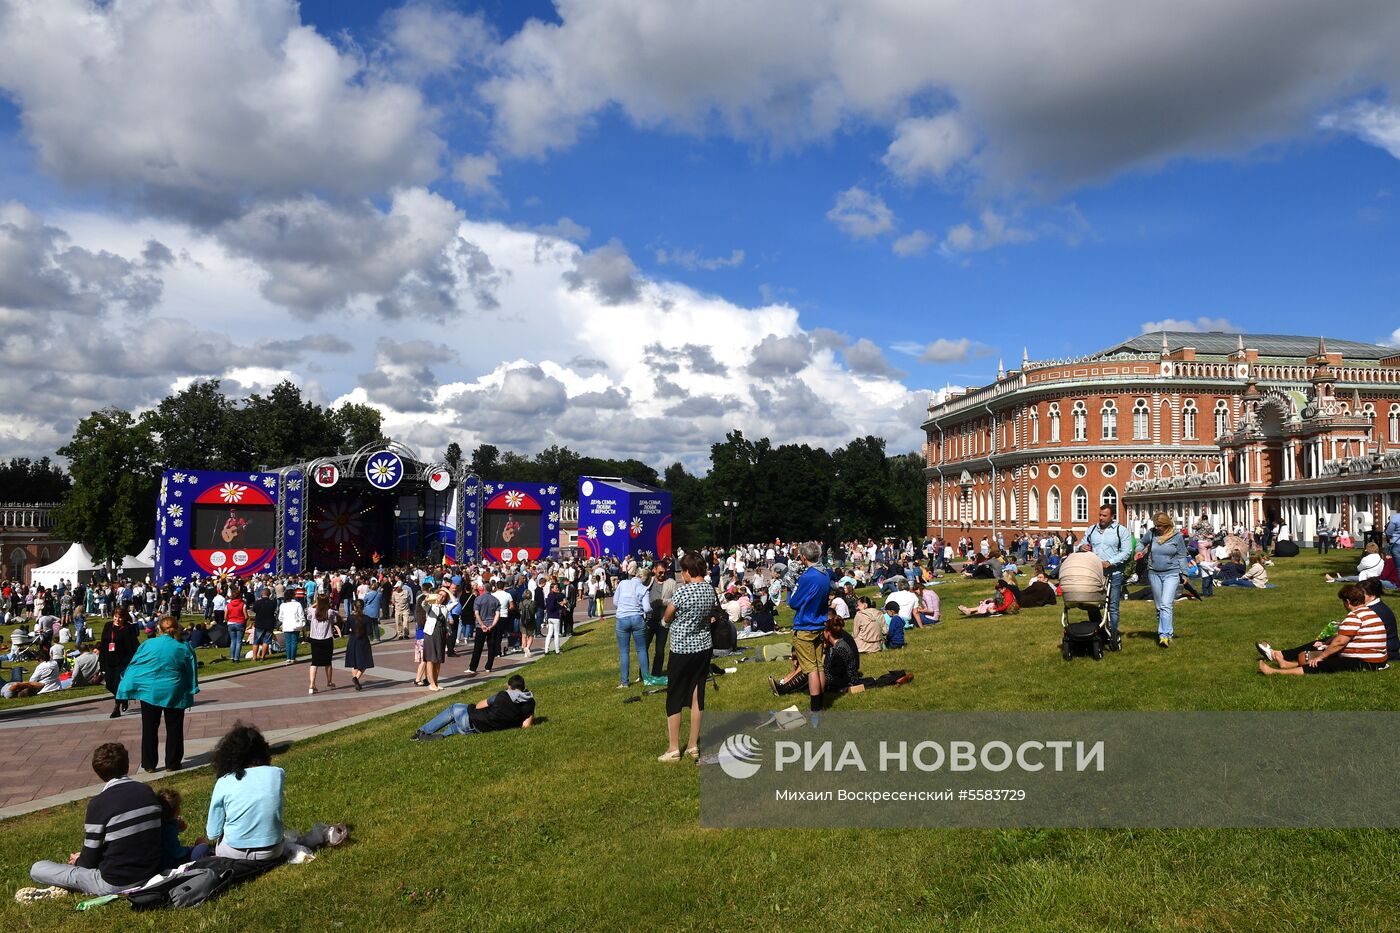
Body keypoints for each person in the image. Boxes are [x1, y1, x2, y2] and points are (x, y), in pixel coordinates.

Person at [25, 742, 161, 896]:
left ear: (98, 773)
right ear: (127, 765)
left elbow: (88, 862)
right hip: (152, 871)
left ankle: (66, 884)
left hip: (115, 882)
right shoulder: (146, 791)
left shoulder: (99, 804)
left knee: (38, 868)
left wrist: (78, 860)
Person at [117, 616, 199, 773]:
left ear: (159, 630)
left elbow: (135, 664)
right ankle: (172, 763)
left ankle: (149, 764)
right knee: (175, 727)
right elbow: (192, 671)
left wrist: (128, 684)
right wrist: (192, 688)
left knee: (149, 728)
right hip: (174, 690)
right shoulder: (183, 647)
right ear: (178, 628)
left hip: (149, 691)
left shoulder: (148, 644)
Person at [658, 551, 715, 762]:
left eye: (683, 571)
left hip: (682, 649)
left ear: (689, 571)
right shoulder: (710, 590)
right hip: (703, 648)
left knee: (674, 696)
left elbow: (668, 614)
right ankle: (693, 746)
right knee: (696, 695)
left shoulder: (683, 592)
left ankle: (674, 748)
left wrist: (665, 623)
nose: (682, 575)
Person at [1257, 585, 1389, 675]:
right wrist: (1326, 645)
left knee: (1322, 664)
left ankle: (1274, 672)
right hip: (1377, 659)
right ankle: (1287, 664)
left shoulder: (1354, 616)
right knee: (1328, 655)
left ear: (1348, 602)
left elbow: (1340, 643)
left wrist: (1322, 656)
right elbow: (1341, 637)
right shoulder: (1369, 612)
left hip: (1368, 662)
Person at [206, 723, 285, 860]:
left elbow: (213, 833)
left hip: (234, 852)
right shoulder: (277, 773)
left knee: (201, 846)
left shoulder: (224, 782)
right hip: (273, 850)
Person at [411, 673, 536, 741]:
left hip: (474, 720)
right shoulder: (529, 703)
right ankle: (443, 735)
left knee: (454, 708)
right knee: (457, 727)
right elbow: (526, 726)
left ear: (509, 686)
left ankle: (422, 732)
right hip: (479, 730)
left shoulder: (502, 695)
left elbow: (479, 706)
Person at [786, 541, 832, 713]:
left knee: (810, 669)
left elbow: (794, 602)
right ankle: (822, 702)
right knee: (819, 665)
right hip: (819, 624)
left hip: (805, 625)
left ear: (804, 557)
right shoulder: (825, 574)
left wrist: (792, 585)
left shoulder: (808, 576)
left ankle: (815, 708)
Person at [1144, 511, 1190, 648]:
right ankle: (1166, 633)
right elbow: (1142, 543)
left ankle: (1164, 635)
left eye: (1159, 526)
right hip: (1154, 572)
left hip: (1172, 573)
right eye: (1155, 525)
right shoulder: (1151, 533)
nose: (1157, 528)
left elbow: (1182, 556)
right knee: (1159, 607)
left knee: (1166, 604)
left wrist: (1185, 574)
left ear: (1166, 525)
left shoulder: (1177, 537)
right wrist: (1139, 551)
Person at [614, 566, 651, 688]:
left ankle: (624, 682)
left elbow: (615, 601)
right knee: (641, 650)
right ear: (645, 579)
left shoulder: (623, 583)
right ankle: (646, 679)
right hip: (637, 618)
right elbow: (646, 608)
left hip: (622, 618)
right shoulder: (644, 589)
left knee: (624, 651)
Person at [99, 605, 139, 719]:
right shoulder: (108, 626)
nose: (117, 619)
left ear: (124, 618)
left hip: (122, 661)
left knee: (117, 683)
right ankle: (123, 697)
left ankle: (116, 708)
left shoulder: (128, 628)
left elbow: (133, 645)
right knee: (109, 684)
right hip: (108, 659)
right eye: (116, 617)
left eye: (120, 617)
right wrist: (101, 663)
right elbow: (103, 645)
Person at [468, 581, 502, 675]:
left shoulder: (478, 599)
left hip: (480, 626)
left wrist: (482, 624)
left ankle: (473, 667)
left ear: (483, 588)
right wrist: (492, 625)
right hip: (492, 625)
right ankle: (489, 666)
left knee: (478, 647)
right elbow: (497, 614)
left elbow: (476, 613)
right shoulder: (495, 600)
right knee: (491, 646)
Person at [306, 595, 337, 695]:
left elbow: (308, 609)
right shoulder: (330, 612)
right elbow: (334, 620)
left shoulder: (313, 611)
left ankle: (311, 684)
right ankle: (329, 681)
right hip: (327, 639)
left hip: (314, 639)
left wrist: (316, 603)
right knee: (328, 661)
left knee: (314, 662)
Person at [345, 599, 375, 691]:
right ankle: (356, 678)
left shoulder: (350, 617)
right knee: (364, 662)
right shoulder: (367, 618)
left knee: (355, 663)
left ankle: (356, 680)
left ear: (354, 607)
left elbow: (345, 631)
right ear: (363, 607)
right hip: (363, 642)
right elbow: (370, 632)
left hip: (352, 641)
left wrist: (351, 630)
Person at [277, 591, 306, 663]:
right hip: (295, 624)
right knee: (294, 642)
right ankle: (293, 658)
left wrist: (285, 620)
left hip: (286, 625)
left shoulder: (283, 605)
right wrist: (303, 622)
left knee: (288, 642)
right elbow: (301, 615)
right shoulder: (297, 604)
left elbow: (280, 617)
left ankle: (288, 658)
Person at [225, 588, 247, 662]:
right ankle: (236, 658)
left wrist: (228, 619)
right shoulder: (242, 604)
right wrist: (244, 620)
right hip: (240, 622)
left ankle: (232, 657)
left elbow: (225, 616)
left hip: (231, 622)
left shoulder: (228, 605)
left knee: (233, 641)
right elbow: (246, 616)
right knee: (238, 641)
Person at [542, 580, 563, 655]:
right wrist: (560, 605)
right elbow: (551, 607)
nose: (557, 589)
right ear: (552, 589)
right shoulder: (553, 596)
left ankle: (546, 650)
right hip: (555, 616)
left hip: (550, 617)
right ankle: (557, 650)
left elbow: (549, 606)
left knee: (549, 634)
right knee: (556, 634)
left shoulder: (549, 596)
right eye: (556, 588)